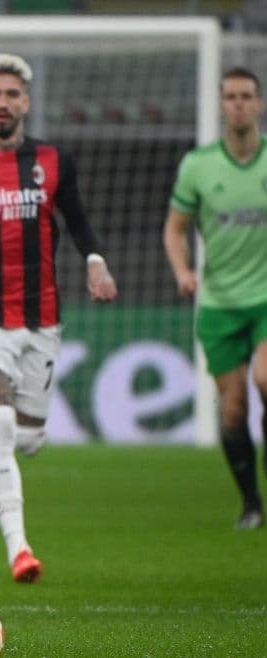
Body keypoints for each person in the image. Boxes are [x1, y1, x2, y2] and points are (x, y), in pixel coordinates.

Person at [0, 53, 118, 583]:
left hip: (41, 319)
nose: (2, 102)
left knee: (30, 439)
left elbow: (79, 220)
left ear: (26, 103)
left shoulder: (53, 161)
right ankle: (20, 549)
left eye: (11, 94)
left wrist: (95, 260)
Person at [163, 66, 267, 530]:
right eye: (231, 96)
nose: (239, 103)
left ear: (259, 103)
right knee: (233, 408)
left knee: (265, 379)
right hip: (220, 303)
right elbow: (175, 228)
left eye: (247, 95)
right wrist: (184, 270)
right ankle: (251, 504)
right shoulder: (198, 165)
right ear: (221, 104)